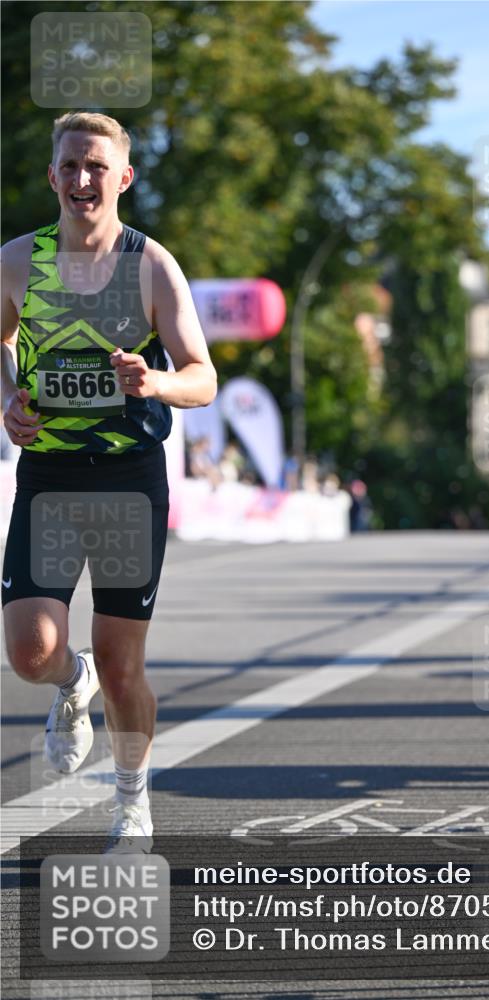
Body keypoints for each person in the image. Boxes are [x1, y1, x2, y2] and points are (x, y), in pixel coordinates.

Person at [1, 112, 217, 851]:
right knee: (30, 653)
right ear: (53, 176)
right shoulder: (15, 263)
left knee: (126, 670)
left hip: (128, 482)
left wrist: (155, 382)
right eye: (69, 165)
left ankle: (132, 803)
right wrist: (8, 399)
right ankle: (70, 679)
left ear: (122, 177)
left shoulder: (150, 265)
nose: (81, 178)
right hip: (49, 477)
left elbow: (204, 377)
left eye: (96, 166)